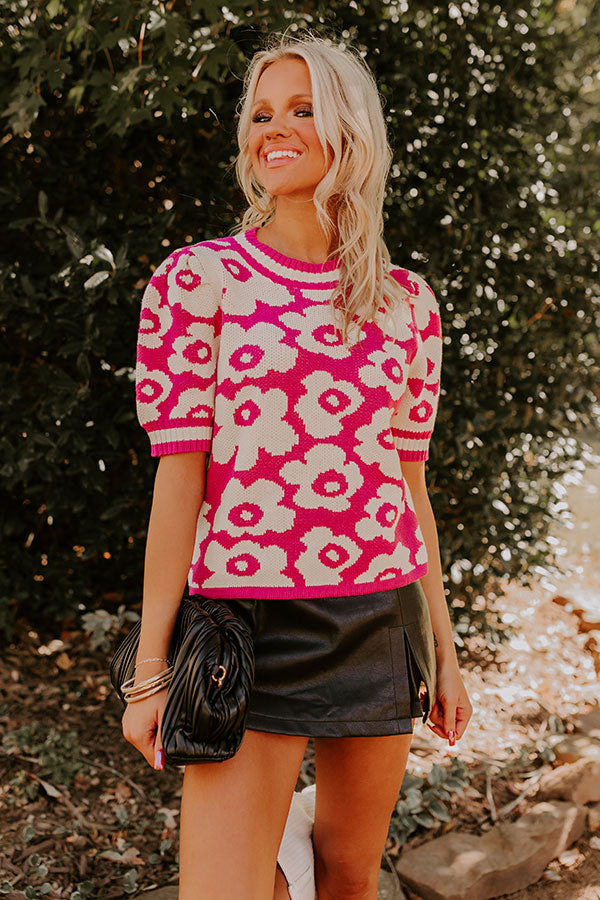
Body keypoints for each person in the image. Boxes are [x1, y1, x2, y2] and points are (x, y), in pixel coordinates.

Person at [122, 29, 473, 900]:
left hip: (380, 617)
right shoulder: (197, 280)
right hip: (247, 632)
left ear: (351, 129)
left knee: (349, 878)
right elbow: (179, 476)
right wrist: (149, 670)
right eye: (261, 114)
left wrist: (445, 648)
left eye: (303, 109)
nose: (273, 129)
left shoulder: (407, 302)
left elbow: (410, 486)